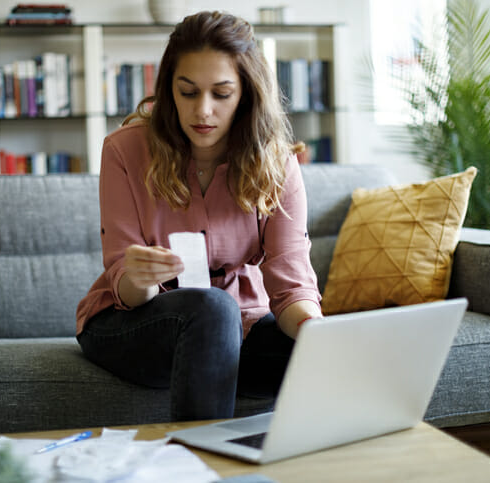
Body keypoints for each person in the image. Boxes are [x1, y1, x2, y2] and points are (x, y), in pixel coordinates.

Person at [76, 10, 322, 422]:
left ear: (246, 93)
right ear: (169, 88)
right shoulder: (124, 150)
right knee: (213, 308)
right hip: (134, 320)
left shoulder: (278, 163)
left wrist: (320, 335)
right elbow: (124, 282)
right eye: (188, 92)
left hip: (238, 326)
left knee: (311, 348)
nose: (202, 110)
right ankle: (197, 464)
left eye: (221, 94)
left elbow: (290, 279)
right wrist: (138, 277)